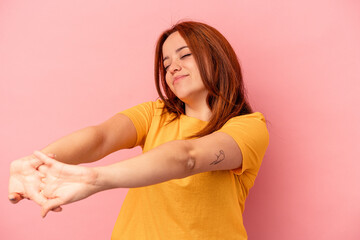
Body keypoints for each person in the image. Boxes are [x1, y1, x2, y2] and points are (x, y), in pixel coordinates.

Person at [8, 21, 269, 239]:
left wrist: (95, 179)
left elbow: (189, 156)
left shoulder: (248, 127)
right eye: (166, 64)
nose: (173, 67)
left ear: (217, 56)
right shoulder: (155, 114)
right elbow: (100, 137)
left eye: (185, 55)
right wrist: (36, 162)